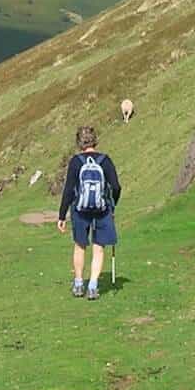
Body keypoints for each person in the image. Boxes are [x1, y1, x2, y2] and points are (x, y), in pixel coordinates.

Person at [57, 123, 120, 299]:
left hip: (79, 209)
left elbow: (69, 190)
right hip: (102, 209)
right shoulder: (105, 160)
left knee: (80, 245)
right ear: (95, 141)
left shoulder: (76, 162)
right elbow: (115, 186)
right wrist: (112, 203)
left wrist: (62, 215)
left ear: (79, 143)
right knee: (98, 248)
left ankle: (78, 284)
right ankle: (92, 286)